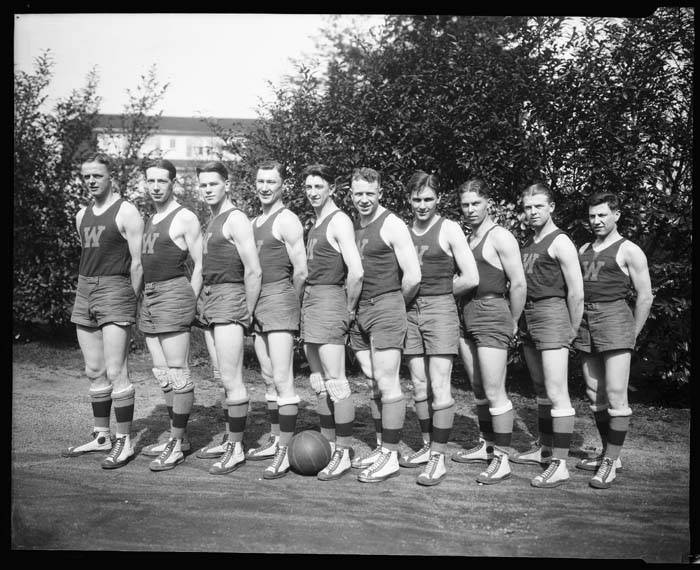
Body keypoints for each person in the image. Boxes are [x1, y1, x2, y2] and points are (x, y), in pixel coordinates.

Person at [62, 152, 144, 470]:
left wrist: (128, 299)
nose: (91, 181)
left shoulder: (126, 211)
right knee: (93, 370)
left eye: (97, 175)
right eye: (86, 176)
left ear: (111, 176)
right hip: (86, 289)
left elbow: (138, 263)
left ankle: (123, 442)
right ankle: (102, 436)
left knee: (116, 370)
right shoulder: (82, 215)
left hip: (115, 288)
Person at [400, 171, 479, 486]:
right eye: (417, 199)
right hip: (409, 312)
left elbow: (471, 276)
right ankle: (426, 445)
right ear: (409, 200)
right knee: (419, 385)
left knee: (440, 384)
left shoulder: (448, 229)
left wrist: (442, 294)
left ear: (438, 199)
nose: (422, 205)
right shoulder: (404, 232)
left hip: (439, 309)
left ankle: (438, 457)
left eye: (428, 199)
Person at [573, 191, 653, 489]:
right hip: (587, 322)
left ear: (616, 215)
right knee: (594, 392)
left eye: (602, 215)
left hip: (615, 319)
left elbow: (644, 295)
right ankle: (611, 453)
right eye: (592, 216)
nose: (596, 221)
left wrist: (632, 332)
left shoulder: (629, 249)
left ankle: (610, 462)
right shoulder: (583, 248)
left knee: (617, 393)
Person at [348, 167, 422, 483]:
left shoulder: (391, 224)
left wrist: (393, 305)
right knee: (373, 379)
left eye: (369, 193)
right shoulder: (353, 227)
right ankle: (381, 447)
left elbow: (414, 275)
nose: (364, 199)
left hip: (387, 305)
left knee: (388, 381)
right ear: (351, 195)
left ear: (380, 193)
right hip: (361, 311)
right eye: (358, 193)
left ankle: (391, 456)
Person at [452, 179, 527, 485]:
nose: (470, 210)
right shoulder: (469, 238)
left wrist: (512, 322)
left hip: (492, 311)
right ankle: (487, 445)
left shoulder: (501, 236)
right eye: (465, 205)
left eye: (475, 204)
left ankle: (503, 458)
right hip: (467, 312)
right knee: (479, 388)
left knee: (496, 390)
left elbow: (519, 283)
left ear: (488, 203)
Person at [189, 161, 262, 475]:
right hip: (212, 298)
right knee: (222, 376)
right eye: (203, 185)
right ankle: (231, 439)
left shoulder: (236, 219)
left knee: (233, 378)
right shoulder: (213, 220)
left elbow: (254, 269)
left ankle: (236, 448)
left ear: (227, 184)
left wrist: (246, 311)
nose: (207, 190)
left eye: (213, 184)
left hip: (231, 298)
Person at [511, 182, 584, 488]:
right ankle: (545, 449)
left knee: (556, 390)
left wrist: (571, 331)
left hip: (553, 314)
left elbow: (577, 291)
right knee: (540, 388)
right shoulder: (529, 242)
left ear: (551, 207)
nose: (533, 212)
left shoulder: (560, 241)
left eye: (539, 206)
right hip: (530, 316)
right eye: (528, 207)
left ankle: (560, 463)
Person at [138, 159, 203, 472]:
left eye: (161, 181)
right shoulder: (153, 217)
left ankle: (176, 444)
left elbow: (201, 264)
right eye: (150, 181)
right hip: (150, 296)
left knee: (178, 371)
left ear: (173, 182)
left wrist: (188, 299)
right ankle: (182, 436)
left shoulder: (185, 216)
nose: (155, 187)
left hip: (173, 293)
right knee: (162, 372)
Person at [300, 164, 364, 481]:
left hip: (329, 299)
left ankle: (343, 451)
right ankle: (327, 444)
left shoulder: (339, 220)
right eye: (308, 187)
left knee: (336, 381)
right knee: (318, 381)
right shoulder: (317, 221)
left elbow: (357, 271)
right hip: (312, 300)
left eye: (318, 186)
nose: (313, 192)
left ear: (331, 188)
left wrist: (349, 308)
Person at [248, 160, 308, 479]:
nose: (265, 187)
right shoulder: (255, 221)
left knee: (283, 378)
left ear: (282, 184)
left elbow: (301, 270)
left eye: (271, 181)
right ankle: (274, 440)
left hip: (279, 296)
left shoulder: (287, 220)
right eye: (260, 181)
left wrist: (289, 303)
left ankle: (284, 450)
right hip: (258, 300)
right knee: (268, 375)